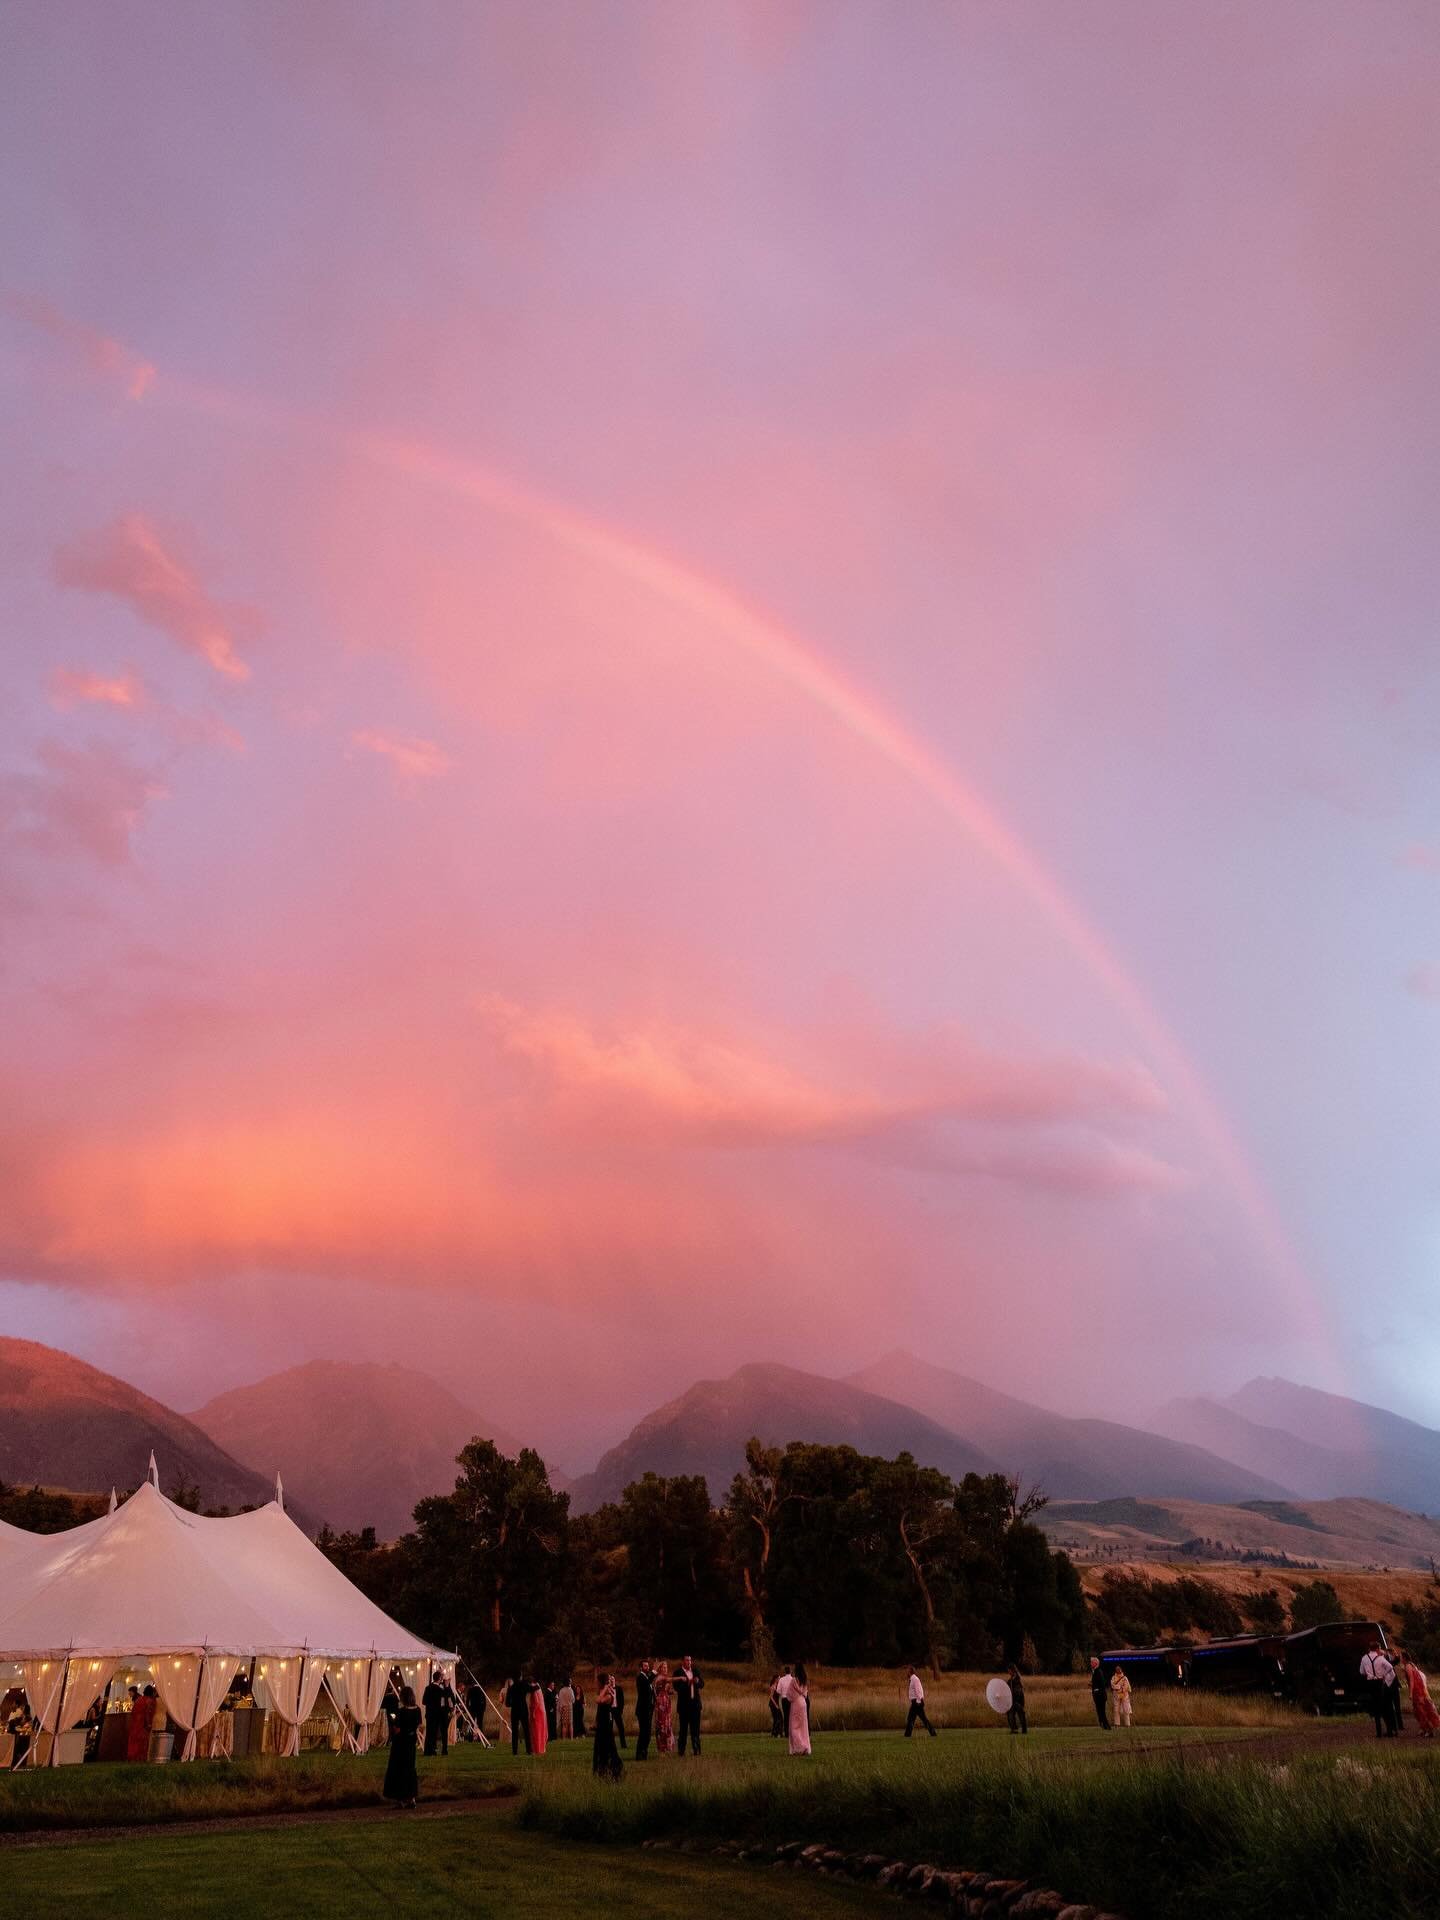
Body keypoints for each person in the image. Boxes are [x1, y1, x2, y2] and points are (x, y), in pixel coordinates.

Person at [382, 1685, 422, 1807]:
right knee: (410, 1769)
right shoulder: (417, 1710)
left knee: (398, 1770)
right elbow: (419, 1725)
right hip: (411, 1743)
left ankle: (400, 1799)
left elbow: (397, 1730)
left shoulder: (402, 1712)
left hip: (400, 1744)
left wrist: (394, 1722)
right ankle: (411, 1798)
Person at [1361, 1642, 1397, 1738]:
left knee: (1375, 1707)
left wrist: (1370, 1674)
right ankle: (1389, 1731)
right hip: (1379, 1683)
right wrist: (1383, 1674)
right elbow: (1390, 1667)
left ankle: (1378, 1732)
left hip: (1370, 1684)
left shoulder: (1364, 1658)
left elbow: (1361, 1671)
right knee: (1384, 1706)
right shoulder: (1380, 1658)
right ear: (1377, 1648)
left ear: (1370, 1648)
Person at [1401, 1653, 1440, 1738]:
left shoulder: (1408, 1666)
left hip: (1417, 1691)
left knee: (1420, 1711)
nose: (1401, 1659)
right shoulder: (1412, 1665)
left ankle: (1428, 1730)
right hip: (1420, 1690)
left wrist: (1410, 1693)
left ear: (1404, 1658)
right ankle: (1425, 1729)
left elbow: (1411, 1680)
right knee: (1421, 1710)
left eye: (1401, 1657)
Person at [592, 1674, 623, 1781]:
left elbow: (599, 1700)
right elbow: (599, 1708)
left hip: (606, 1725)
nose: (596, 1684)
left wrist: (605, 1687)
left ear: (601, 1682)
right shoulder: (604, 1692)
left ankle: (614, 1769)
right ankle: (601, 1770)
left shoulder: (610, 1694)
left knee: (609, 1748)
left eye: (597, 1682)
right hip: (601, 1725)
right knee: (599, 1749)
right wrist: (595, 1722)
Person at [673, 1656, 704, 1755]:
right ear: (683, 1661)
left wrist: (697, 1681)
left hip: (695, 1705)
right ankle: (681, 1751)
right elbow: (677, 1688)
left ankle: (697, 1750)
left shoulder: (695, 1671)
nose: (689, 1662)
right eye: (687, 1660)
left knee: (696, 1730)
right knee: (683, 1730)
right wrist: (688, 1683)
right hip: (684, 1706)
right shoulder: (677, 1673)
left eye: (690, 1660)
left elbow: (702, 1684)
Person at [422, 1670, 452, 1756]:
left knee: (430, 1733)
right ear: (439, 1678)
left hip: (429, 1714)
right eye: (441, 1677)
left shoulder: (428, 1688)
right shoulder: (439, 1689)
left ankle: (428, 1751)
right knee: (438, 1732)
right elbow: (447, 1697)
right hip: (438, 1714)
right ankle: (441, 1750)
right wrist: (446, 1686)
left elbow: (424, 1701)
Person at [126, 1683, 156, 1761]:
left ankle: (132, 1757)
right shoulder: (149, 1701)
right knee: (142, 1741)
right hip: (142, 1723)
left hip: (135, 1722)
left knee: (134, 1740)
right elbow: (148, 1713)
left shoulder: (139, 1699)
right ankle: (140, 1758)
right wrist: (149, 1724)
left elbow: (133, 1712)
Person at [904, 1667, 936, 1738]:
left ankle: (907, 1735)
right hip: (915, 1702)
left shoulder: (915, 1679)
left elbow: (919, 1690)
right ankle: (907, 1734)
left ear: (910, 1672)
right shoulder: (912, 1679)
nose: (906, 1673)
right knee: (912, 1718)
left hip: (917, 1702)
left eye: (907, 1671)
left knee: (916, 1718)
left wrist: (918, 1701)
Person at [788, 1662, 812, 1756]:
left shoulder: (794, 1680)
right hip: (803, 1703)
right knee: (803, 1727)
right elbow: (805, 1693)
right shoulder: (805, 1679)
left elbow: (789, 1694)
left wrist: (791, 1698)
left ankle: (799, 1747)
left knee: (794, 1727)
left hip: (796, 1703)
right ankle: (805, 1746)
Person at [505, 1674, 532, 1755]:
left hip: (515, 1711)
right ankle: (528, 1750)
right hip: (523, 1710)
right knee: (526, 1731)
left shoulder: (511, 1688)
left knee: (515, 1732)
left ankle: (515, 1751)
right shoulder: (524, 1685)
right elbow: (532, 1689)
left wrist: (513, 1704)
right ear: (520, 1677)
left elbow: (507, 1703)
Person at [653, 1661, 675, 1754]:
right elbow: (655, 1689)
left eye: (666, 1667)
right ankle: (661, 1748)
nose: (665, 1669)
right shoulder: (658, 1677)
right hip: (660, 1703)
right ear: (660, 1669)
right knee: (661, 1725)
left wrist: (671, 1692)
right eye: (663, 1667)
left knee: (667, 1724)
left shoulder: (665, 1677)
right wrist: (680, 1678)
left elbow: (667, 1690)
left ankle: (667, 1747)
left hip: (667, 1702)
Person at [635, 1660, 655, 1759]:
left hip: (649, 1710)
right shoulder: (640, 1677)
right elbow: (646, 1685)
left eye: (648, 1666)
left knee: (647, 1733)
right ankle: (639, 1754)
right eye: (645, 1666)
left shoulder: (647, 1678)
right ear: (641, 1668)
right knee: (643, 1732)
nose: (647, 1667)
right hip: (642, 1710)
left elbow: (651, 1693)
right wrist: (654, 1673)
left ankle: (644, 1752)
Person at [528, 1674, 549, 1755]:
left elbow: (536, 1702)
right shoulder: (538, 1686)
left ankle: (537, 1749)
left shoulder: (533, 1688)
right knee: (542, 1730)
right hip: (542, 1711)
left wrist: (533, 1712)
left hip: (537, 1712)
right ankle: (542, 1748)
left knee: (536, 1731)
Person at [1087, 1657, 1110, 1730]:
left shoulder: (1098, 1671)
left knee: (1102, 1711)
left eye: (1091, 1662)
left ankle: (1107, 1726)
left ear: (1095, 1663)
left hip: (1100, 1695)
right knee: (1100, 1711)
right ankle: (1104, 1725)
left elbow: (1102, 1683)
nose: (1090, 1664)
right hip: (1098, 1695)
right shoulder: (1095, 1671)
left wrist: (1095, 1687)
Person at [772, 1666, 794, 1739]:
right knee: (791, 1716)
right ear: (790, 1671)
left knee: (786, 1716)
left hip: (784, 1699)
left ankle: (786, 1733)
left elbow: (778, 1691)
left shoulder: (781, 1679)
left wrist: (783, 1692)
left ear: (785, 1672)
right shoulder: (793, 1679)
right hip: (791, 1699)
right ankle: (792, 1732)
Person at [1006, 1666, 1028, 1736]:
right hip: (1012, 1701)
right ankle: (1014, 1729)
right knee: (1011, 1714)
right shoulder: (1010, 1681)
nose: (1008, 1672)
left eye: (1009, 1670)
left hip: (1017, 1701)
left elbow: (1018, 1691)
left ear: (1012, 1670)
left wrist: (1014, 1700)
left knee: (1020, 1714)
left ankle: (1023, 1730)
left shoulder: (1017, 1679)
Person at [612, 1675, 628, 1748]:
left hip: (617, 1710)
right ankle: (611, 1745)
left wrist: (620, 1710)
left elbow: (622, 1700)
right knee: (609, 1728)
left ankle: (623, 1744)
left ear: (614, 1680)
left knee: (621, 1728)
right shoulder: (607, 1689)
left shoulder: (619, 1689)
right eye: (610, 1679)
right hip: (610, 1710)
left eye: (612, 1679)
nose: (611, 1680)